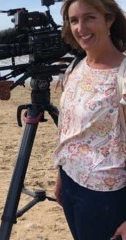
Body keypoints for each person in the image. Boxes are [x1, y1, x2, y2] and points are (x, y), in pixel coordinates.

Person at [54, 1, 126, 239]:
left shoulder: (122, 74)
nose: (81, 27)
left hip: (104, 193)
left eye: (89, 18)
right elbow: (69, 129)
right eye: (74, 20)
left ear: (109, 19)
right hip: (71, 181)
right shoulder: (76, 65)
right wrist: (61, 175)